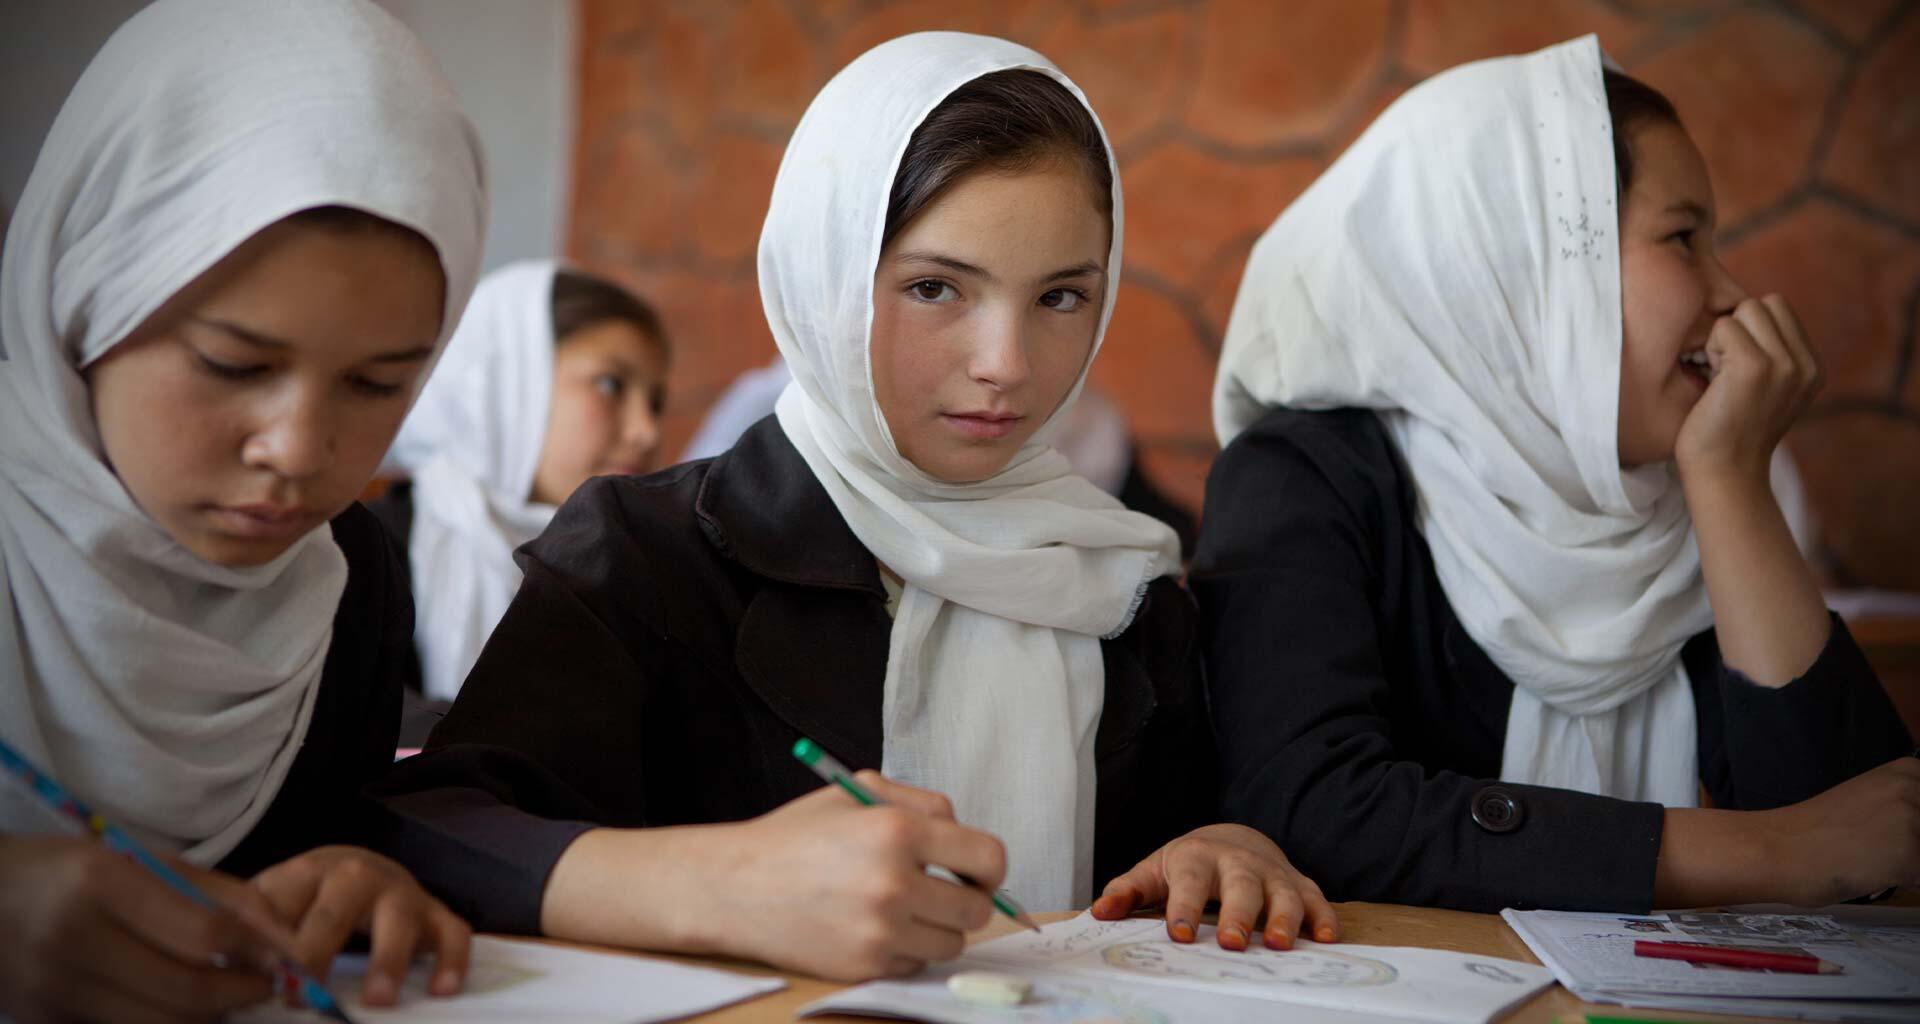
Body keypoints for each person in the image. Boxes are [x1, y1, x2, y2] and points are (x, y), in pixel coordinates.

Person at [374, 32, 1335, 983]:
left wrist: (1214, 847)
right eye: (934, 287)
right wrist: (719, 883)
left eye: (1061, 298)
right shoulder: (650, 556)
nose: (1006, 362)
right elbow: (430, 825)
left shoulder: (1123, 584)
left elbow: (1158, 853)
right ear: (824, 281)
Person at [1197, 36, 1915, 915]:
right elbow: (1312, 812)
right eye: (1684, 237)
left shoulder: (1684, 499)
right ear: (1530, 262)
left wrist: (1730, 479)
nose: (1730, 292)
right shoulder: (1305, 477)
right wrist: (1770, 851)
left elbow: (1871, 843)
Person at [0, 1, 488, 1018]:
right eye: (234, 363)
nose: (301, 453)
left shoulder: (349, 578)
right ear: (84, 298)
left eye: (377, 385)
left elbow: (315, 871)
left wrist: (356, 884)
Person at [375, 260, 669, 702]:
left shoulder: (646, 579)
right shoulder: (369, 556)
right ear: (507, 385)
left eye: (656, 402)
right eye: (610, 384)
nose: (647, 431)